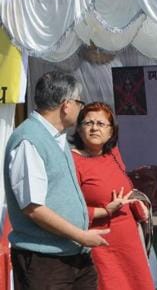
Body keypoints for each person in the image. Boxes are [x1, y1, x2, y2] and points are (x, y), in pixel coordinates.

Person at [4, 71, 109, 290]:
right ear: (67, 105)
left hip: (73, 254)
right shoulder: (29, 140)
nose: (81, 109)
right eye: (79, 103)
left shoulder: (56, 137)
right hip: (44, 260)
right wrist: (81, 236)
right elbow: (33, 208)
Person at [71, 102, 154, 290]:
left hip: (129, 241)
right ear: (78, 129)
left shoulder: (113, 155)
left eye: (101, 124)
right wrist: (103, 211)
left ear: (111, 131)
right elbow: (66, 209)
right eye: (88, 123)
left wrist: (137, 202)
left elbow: (127, 188)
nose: (94, 128)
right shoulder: (72, 161)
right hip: (100, 243)